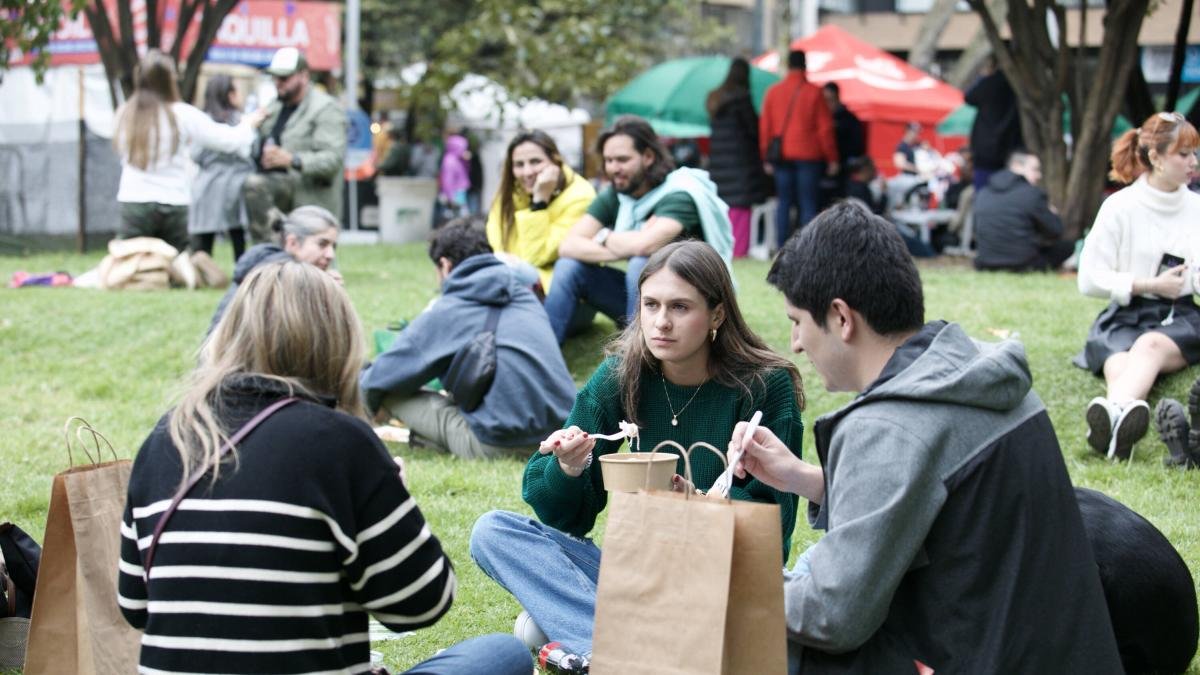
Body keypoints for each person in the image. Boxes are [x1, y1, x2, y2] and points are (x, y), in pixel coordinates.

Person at [732, 202, 1121, 673]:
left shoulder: (887, 427)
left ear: (840, 317)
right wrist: (804, 479)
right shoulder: (983, 377)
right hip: (1063, 655)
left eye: (797, 321)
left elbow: (831, 617)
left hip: (968, 659)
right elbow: (944, 506)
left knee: (754, 632)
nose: (795, 342)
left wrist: (723, 585)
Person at [117, 261, 532, 675]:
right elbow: (422, 603)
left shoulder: (165, 437)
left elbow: (134, 606)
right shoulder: (340, 442)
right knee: (503, 653)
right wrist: (391, 499)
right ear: (336, 342)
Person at [469, 240, 805, 661]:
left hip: (725, 582)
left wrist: (697, 506)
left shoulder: (763, 385)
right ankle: (618, 645)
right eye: (651, 305)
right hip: (640, 577)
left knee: (536, 625)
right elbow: (564, 518)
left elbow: (773, 529)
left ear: (717, 313)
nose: (661, 322)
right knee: (492, 532)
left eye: (680, 307)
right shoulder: (621, 375)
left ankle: (595, 635)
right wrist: (569, 469)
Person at [360, 219, 576, 459]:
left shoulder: (452, 307)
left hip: (500, 443)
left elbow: (381, 377)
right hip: (562, 438)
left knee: (391, 391)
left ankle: (434, 439)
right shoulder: (526, 298)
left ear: (445, 265)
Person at [1076, 112, 1200, 461]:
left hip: (1181, 314)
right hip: (1127, 311)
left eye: (1194, 153)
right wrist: (1147, 284)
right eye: (1184, 154)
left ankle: (1110, 422)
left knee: (1148, 347)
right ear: (1156, 157)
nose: (1193, 162)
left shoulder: (1197, 207)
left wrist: (1187, 279)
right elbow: (1089, 279)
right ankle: (1118, 432)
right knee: (1119, 361)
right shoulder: (1119, 206)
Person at [546, 115, 734, 344]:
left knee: (640, 262)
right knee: (569, 266)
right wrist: (619, 241)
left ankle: (636, 351)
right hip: (648, 302)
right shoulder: (618, 194)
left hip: (689, 303)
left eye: (622, 159)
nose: (613, 168)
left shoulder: (680, 193)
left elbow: (646, 245)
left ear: (648, 156)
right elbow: (568, 245)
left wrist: (608, 238)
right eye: (609, 160)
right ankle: (542, 353)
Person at [113, 50, 264, 253]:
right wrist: (248, 124)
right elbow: (227, 140)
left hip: (133, 200)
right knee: (177, 266)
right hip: (173, 202)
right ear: (169, 80)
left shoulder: (125, 113)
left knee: (130, 261)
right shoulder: (181, 114)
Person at [243, 47, 347, 243]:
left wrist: (292, 159)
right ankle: (267, 254)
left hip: (309, 193)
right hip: (278, 192)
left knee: (255, 185)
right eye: (275, 78)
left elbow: (332, 160)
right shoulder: (274, 107)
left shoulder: (325, 108)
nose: (278, 83)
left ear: (304, 76)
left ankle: (275, 253)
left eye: (284, 78)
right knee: (246, 183)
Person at [485, 130, 596, 292]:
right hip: (510, 276)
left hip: (558, 288)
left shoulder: (580, 196)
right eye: (519, 165)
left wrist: (539, 203)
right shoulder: (509, 193)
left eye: (535, 162)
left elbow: (535, 256)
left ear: (555, 161)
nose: (527, 172)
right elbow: (498, 247)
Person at [208, 205, 340, 332]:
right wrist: (324, 295)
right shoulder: (279, 277)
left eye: (333, 247)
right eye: (322, 244)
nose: (330, 255)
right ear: (292, 243)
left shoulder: (267, 265)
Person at [759, 50, 839, 246]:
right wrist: (832, 158)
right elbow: (824, 129)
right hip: (809, 156)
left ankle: (781, 248)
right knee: (808, 203)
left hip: (781, 156)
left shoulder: (773, 92)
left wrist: (765, 156)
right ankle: (808, 248)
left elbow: (765, 127)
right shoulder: (814, 92)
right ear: (805, 66)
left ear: (787, 66)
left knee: (783, 203)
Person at [706, 57, 771, 258]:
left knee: (725, 208)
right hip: (740, 163)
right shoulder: (742, 99)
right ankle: (738, 250)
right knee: (741, 208)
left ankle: (722, 248)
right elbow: (753, 130)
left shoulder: (715, 99)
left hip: (719, 163)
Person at [189, 74, 254, 263]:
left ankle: (202, 269)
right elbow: (249, 149)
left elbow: (195, 154)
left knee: (204, 233)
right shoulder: (241, 121)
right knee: (237, 232)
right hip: (237, 184)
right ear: (229, 94)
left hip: (208, 183)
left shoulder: (202, 121)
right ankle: (241, 268)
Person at [973, 149, 1073, 271]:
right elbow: (1055, 230)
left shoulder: (984, 193)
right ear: (1016, 166)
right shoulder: (1032, 194)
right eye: (1035, 169)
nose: (1039, 175)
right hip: (1022, 264)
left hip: (985, 262)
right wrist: (1052, 213)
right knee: (1067, 246)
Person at [965, 57, 1023, 190]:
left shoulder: (989, 82)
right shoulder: (1018, 84)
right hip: (1011, 145)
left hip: (986, 148)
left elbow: (969, 97)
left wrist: (984, 76)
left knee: (983, 190)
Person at [822, 82, 866, 200]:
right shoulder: (820, 119)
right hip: (821, 169)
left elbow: (858, 147)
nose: (827, 104)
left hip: (843, 170)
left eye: (830, 100)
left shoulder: (849, 120)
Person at [438, 134, 471, 223]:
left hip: (460, 192)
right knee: (458, 219)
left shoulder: (458, 159)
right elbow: (447, 180)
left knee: (461, 219)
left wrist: (466, 160)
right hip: (454, 194)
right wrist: (450, 196)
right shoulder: (449, 161)